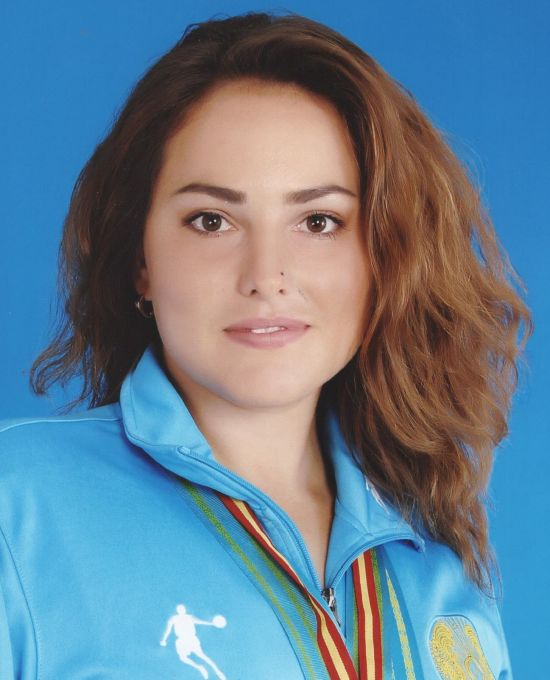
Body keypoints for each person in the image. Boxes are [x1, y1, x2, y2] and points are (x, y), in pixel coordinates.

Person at [0, 11, 531, 680]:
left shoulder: (437, 561)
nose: (266, 276)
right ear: (140, 260)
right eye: (212, 220)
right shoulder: (19, 507)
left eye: (319, 221)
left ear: (385, 257)